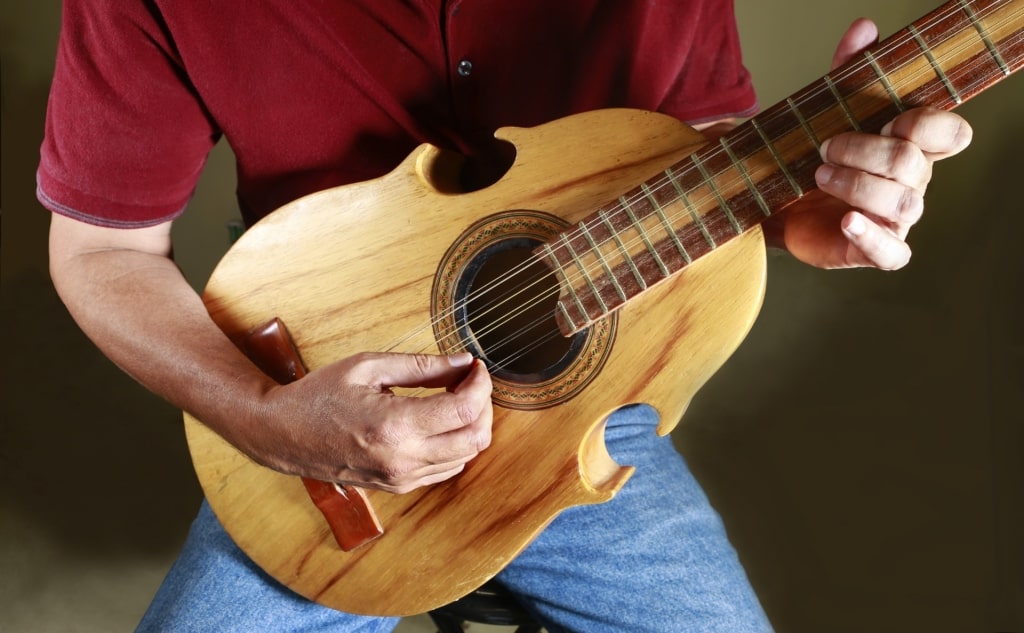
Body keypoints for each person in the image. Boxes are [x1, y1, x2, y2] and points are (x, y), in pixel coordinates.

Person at [38, 1, 971, 631]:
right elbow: (101, 251)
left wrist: (813, 206)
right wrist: (273, 423)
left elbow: (698, 153)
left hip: (580, 427)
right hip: (308, 411)